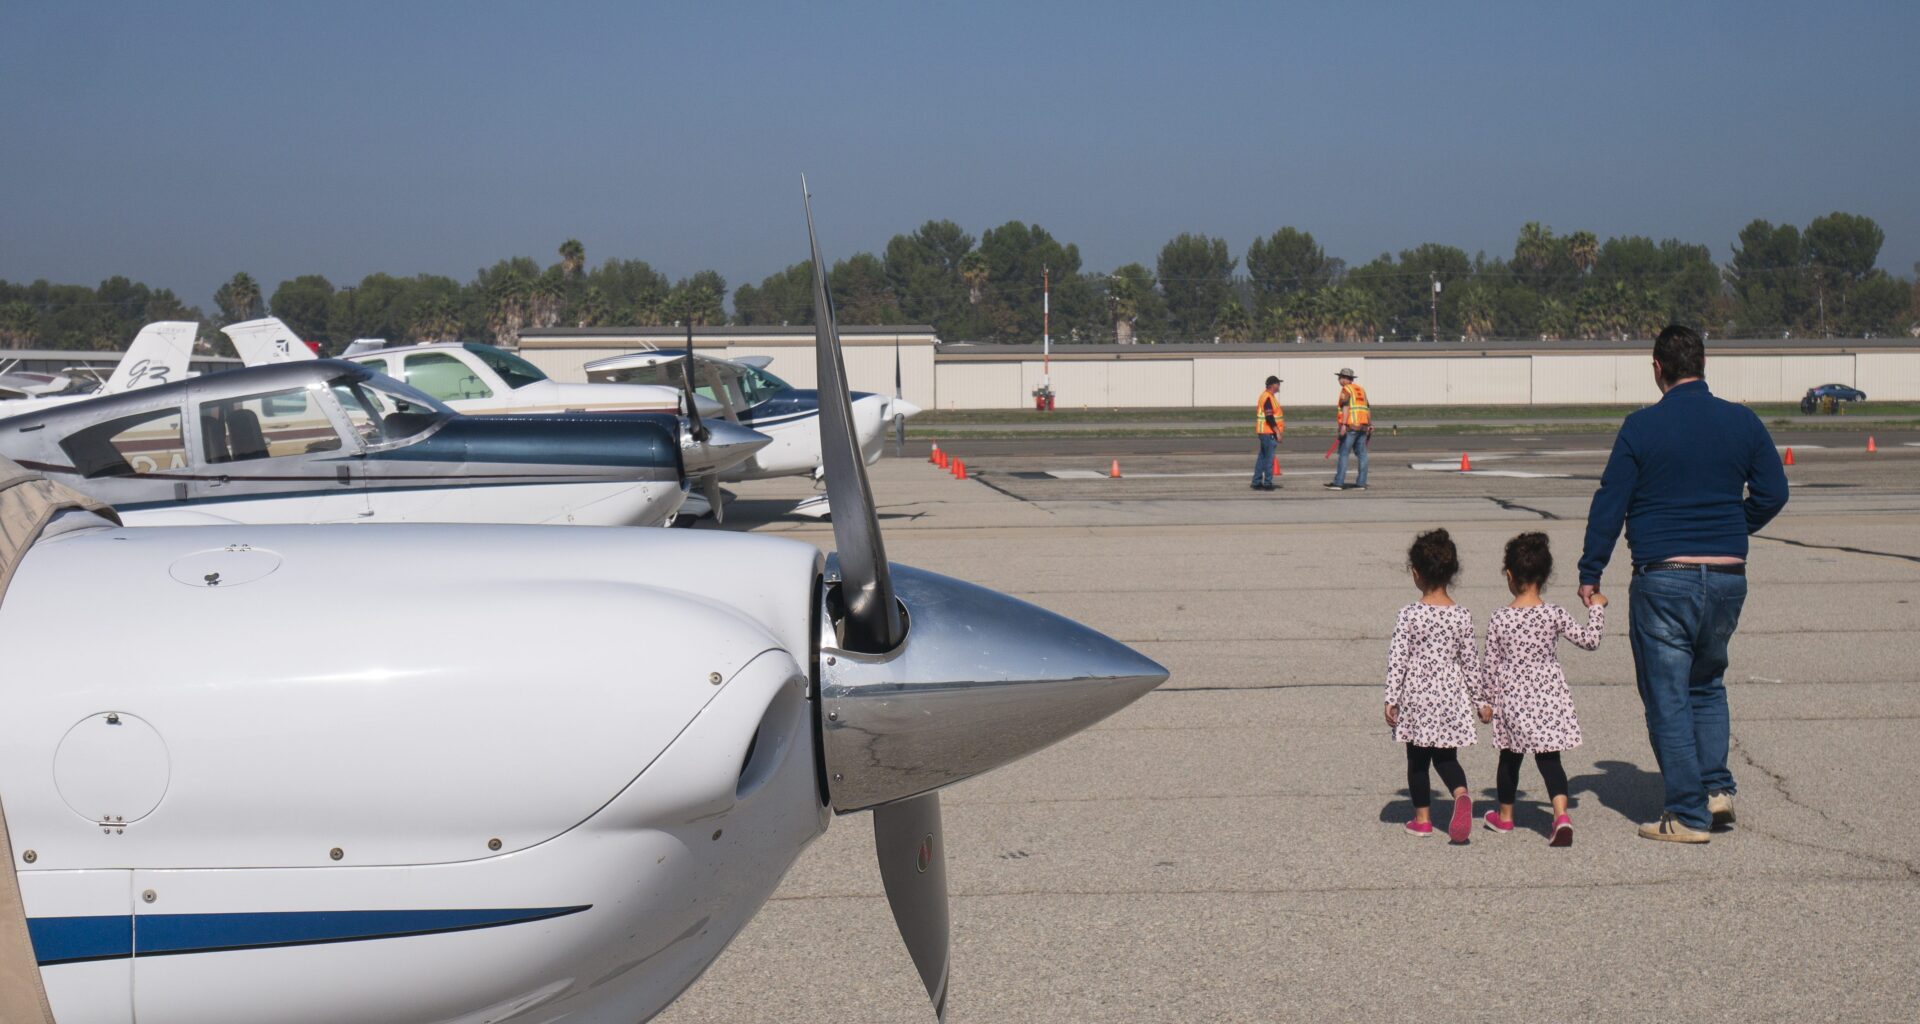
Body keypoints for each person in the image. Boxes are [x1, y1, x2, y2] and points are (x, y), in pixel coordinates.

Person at [1578, 325, 1788, 843]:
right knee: (1708, 683)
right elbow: (1774, 492)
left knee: (1668, 695)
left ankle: (1687, 814)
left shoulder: (1641, 427)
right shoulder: (1742, 421)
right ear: (1703, 363)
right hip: (1726, 577)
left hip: (1663, 577)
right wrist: (1735, 526)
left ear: (1657, 368)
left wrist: (1591, 571)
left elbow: (1611, 501)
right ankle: (1716, 791)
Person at [1475, 532, 1605, 846]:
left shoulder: (1500, 618)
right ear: (1545, 577)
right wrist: (1597, 608)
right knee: (1550, 760)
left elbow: (1490, 665)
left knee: (1509, 759)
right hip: (1549, 696)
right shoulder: (1554, 613)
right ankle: (1560, 816)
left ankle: (1505, 816)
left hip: (1514, 698)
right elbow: (1590, 640)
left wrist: (1485, 701)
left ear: (1509, 574)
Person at [1384, 528, 1479, 842]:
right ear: (1452, 573)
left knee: (1418, 760)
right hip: (1450, 695)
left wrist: (1391, 698)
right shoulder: (1462, 616)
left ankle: (1423, 819)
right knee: (1446, 757)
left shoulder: (1410, 614)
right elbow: (1470, 662)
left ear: (1416, 574)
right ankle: (1461, 792)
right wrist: (1481, 700)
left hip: (1418, 696)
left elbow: (1398, 658)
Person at [1326, 368, 1370, 490]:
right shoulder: (1361, 390)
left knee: (1344, 454)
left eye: (1340, 377)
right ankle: (1361, 483)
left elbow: (1345, 408)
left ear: (1345, 379)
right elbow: (1367, 408)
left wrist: (1344, 425)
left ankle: (1339, 482)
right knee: (1362, 455)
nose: (1339, 380)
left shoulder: (1346, 390)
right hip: (1363, 426)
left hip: (1351, 427)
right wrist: (1370, 424)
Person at [1252, 375, 1284, 491]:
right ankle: (1267, 483)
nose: (1279, 386)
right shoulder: (1268, 398)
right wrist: (1277, 432)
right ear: (1272, 385)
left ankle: (1256, 481)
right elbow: (1269, 417)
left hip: (1264, 431)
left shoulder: (1267, 396)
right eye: (1278, 383)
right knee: (1269, 458)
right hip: (1268, 432)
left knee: (1262, 457)